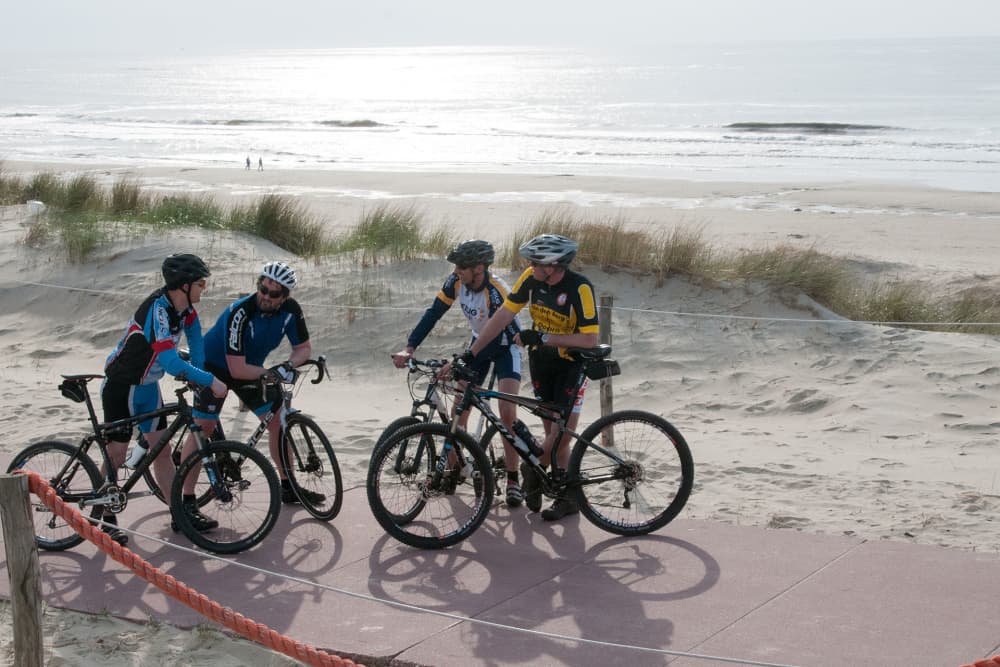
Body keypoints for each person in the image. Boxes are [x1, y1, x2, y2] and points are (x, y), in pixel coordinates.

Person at [464, 234, 599, 521]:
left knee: (563, 433)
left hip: (573, 365)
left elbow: (590, 340)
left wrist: (543, 336)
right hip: (542, 362)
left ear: (554, 265)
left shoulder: (580, 288)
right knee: (553, 432)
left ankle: (532, 470)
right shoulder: (531, 278)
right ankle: (566, 496)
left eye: (536, 261)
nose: (530, 265)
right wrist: (472, 353)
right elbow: (502, 316)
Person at [101, 253, 228, 545]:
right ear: (184, 286)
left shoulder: (186, 312)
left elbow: (197, 350)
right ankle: (103, 516)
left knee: (161, 449)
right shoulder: (157, 311)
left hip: (147, 388)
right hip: (122, 387)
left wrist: (200, 377)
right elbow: (170, 362)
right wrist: (211, 381)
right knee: (117, 455)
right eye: (201, 283)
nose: (204, 288)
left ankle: (178, 514)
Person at [392, 240, 526, 507]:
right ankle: (456, 471)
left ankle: (513, 479)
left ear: (479, 268)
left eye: (461, 266)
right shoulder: (455, 282)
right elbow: (433, 314)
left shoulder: (497, 291)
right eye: (455, 266)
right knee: (457, 416)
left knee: (507, 413)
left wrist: (465, 359)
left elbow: (505, 333)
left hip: (504, 348)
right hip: (477, 346)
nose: (456, 271)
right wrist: (410, 347)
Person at [191, 261, 322, 505]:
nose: (265, 296)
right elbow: (235, 368)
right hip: (215, 366)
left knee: (278, 423)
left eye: (273, 294)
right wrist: (271, 374)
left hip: (250, 369)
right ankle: (185, 498)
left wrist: (288, 366)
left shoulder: (291, 311)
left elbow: (303, 349)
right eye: (262, 289)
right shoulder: (241, 312)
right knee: (203, 429)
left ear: (285, 296)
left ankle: (288, 485)